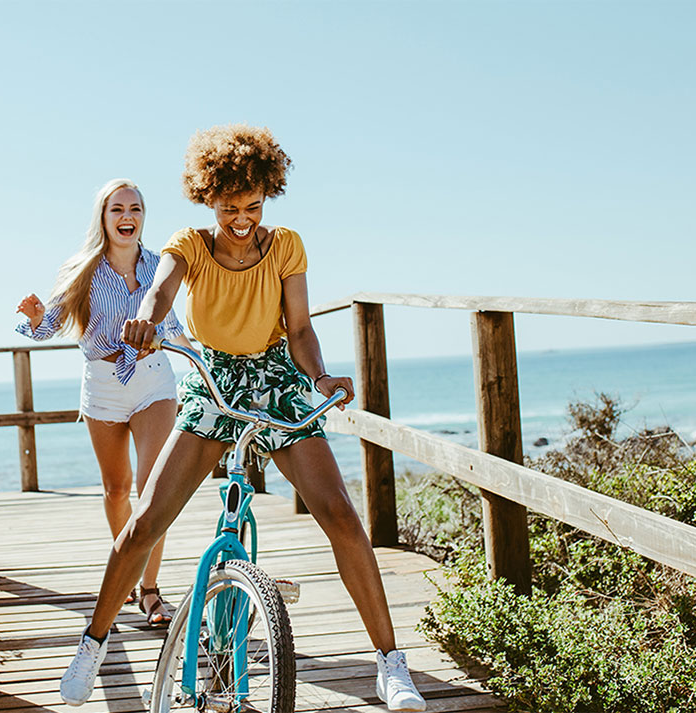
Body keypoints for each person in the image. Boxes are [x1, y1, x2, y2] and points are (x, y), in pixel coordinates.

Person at [58, 127, 427, 711]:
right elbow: (160, 290)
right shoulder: (191, 244)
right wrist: (147, 321)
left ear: (267, 198)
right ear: (209, 199)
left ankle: (390, 663)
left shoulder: (285, 246)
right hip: (215, 382)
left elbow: (300, 329)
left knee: (340, 515)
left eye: (252, 206)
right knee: (147, 518)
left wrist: (322, 378)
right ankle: (93, 644)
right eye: (229, 207)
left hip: (277, 380)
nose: (241, 219)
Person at [15, 178, 194, 629]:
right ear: (103, 217)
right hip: (103, 385)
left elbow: (173, 326)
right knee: (117, 490)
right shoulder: (83, 269)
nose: (127, 216)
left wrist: (206, 360)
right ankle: (129, 570)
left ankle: (150, 592)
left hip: (154, 380)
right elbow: (48, 325)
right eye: (117, 209)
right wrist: (36, 318)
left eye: (134, 208)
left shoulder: (161, 266)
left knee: (152, 489)